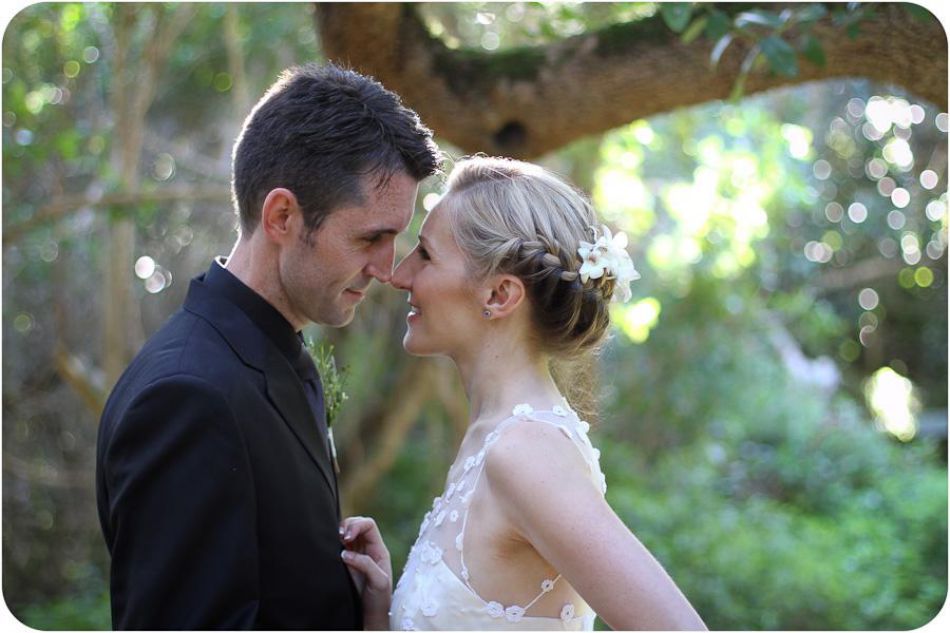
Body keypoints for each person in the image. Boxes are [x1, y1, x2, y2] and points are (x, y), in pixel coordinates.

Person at [95, 62, 440, 629]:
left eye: (396, 238)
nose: (387, 268)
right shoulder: (186, 396)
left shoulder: (272, 354)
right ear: (282, 216)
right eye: (370, 238)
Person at [338, 156, 706, 630]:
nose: (398, 274)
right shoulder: (493, 438)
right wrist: (380, 613)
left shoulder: (525, 452)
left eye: (426, 255)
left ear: (499, 295)